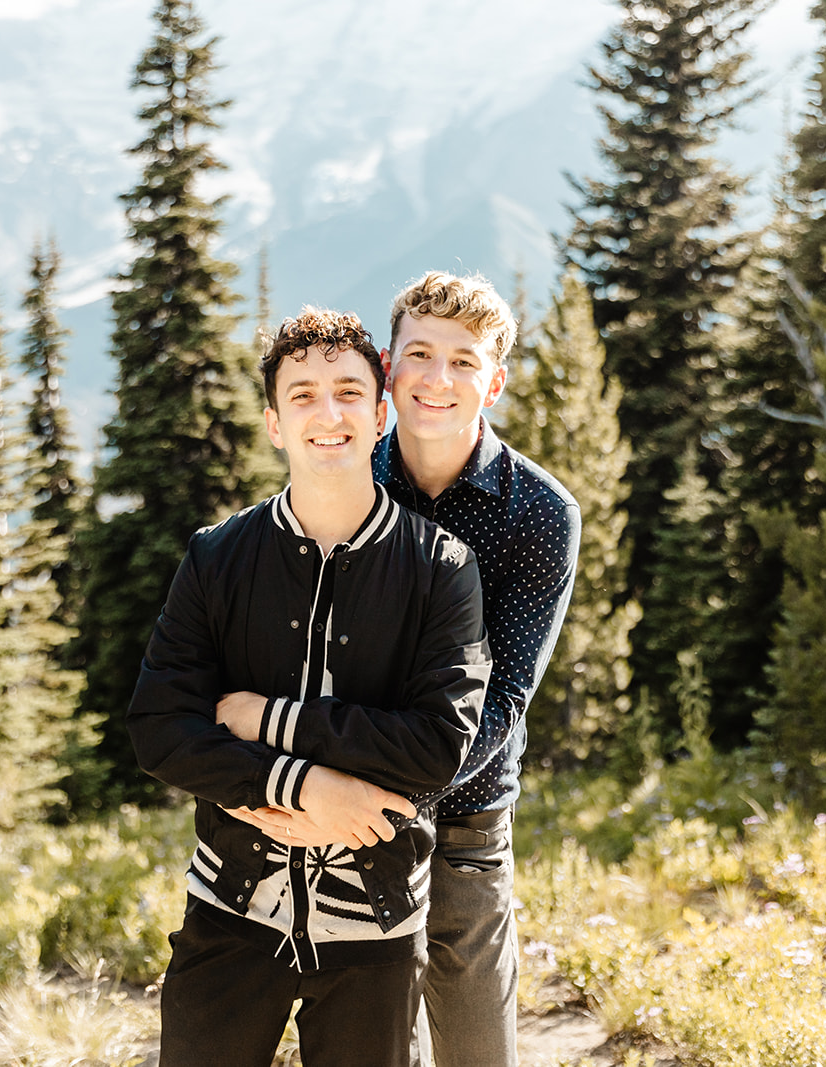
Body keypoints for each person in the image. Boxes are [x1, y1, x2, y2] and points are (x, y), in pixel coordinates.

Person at [127, 307, 492, 1067]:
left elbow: (436, 747)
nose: (328, 413)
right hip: (229, 912)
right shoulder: (217, 557)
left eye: (349, 393)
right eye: (303, 396)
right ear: (273, 423)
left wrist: (269, 721)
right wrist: (300, 785)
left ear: (382, 412)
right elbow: (161, 728)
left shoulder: (441, 568)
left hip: (379, 929)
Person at [235, 272, 581, 1067]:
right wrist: (307, 788)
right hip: (338, 802)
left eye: (464, 361)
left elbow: (503, 703)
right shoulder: (346, 470)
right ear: (389, 368)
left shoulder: (539, 513)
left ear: (493, 381)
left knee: (474, 1048)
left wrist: (373, 803)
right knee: (373, 1047)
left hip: (460, 817)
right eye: (419, 353)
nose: (437, 377)